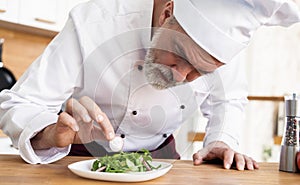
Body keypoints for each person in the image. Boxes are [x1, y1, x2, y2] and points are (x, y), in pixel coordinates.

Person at [0, 0, 299, 170]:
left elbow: (228, 98)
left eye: (200, 72)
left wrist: (221, 140)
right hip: (78, 165)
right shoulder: (96, 21)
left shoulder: (222, 53)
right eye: (179, 57)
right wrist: (52, 133)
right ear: (168, 12)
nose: (180, 77)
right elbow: (19, 102)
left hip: (162, 166)